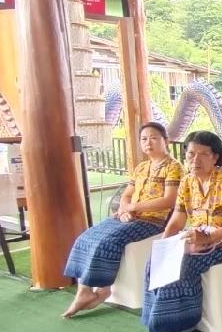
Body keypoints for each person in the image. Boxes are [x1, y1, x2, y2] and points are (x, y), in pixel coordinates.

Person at [141, 131, 222, 332]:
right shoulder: (187, 181)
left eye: (203, 154)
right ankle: (159, 318)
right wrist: (165, 245)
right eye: (191, 154)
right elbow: (177, 219)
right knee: (155, 260)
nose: (196, 160)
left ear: (215, 157)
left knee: (185, 264)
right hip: (198, 239)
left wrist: (212, 236)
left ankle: (182, 324)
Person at [62, 122, 181, 318]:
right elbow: (127, 195)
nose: (148, 143)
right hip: (130, 216)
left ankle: (103, 289)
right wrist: (124, 209)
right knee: (87, 236)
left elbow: (169, 200)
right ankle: (84, 290)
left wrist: (133, 207)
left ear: (165, 141)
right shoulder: (141, 167)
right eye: (144, 139)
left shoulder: (173, 167)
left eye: (153, 138)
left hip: (154, 220)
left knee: (108, 242)